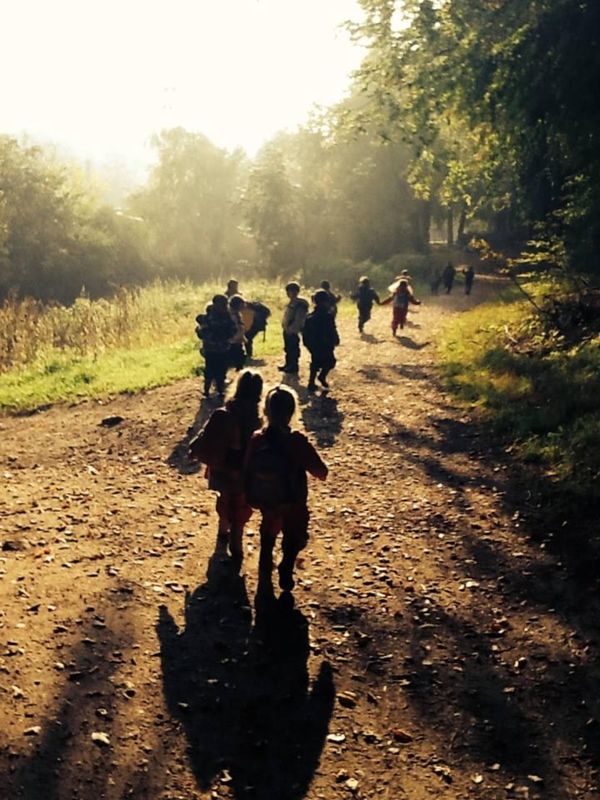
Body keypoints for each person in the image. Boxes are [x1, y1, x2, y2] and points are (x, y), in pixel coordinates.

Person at [244, 385, 328, 591]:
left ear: (266, 411)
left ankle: (265, 570)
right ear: (291, 412)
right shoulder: (296, 440)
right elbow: (321, 472)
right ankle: (286, 568)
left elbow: (246, 467)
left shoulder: (257, 439)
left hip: (267, 499)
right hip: (293, 501)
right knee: (294, 536)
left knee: (268, 534)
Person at [188, 370, 263, 566]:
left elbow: (205, 434)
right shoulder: (258, 419)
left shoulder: (225, 412)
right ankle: (236, 546)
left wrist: (195, 450)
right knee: (240, 507)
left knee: (224, 499)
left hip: (221, 470)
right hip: (244, 473)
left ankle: (222, 532)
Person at [195, 294, 237, 400]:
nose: (224, 306)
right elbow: (203, 333)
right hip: (211, 349)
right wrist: (216, 337)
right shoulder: (208, 317)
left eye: (225, 304)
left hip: (223, 348)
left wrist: (226, 336)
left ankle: (220, 390)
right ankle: (207, 390)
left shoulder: (227, 316)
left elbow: (233, 329)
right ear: (215, 304)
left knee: (222, 370)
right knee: (209, 370)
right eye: (222, 304)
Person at [302, 289, 340, 392]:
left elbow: (305, 332)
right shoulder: (328, 316)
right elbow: (332, 329)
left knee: (315, 362)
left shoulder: (310, 317)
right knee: (330, 362)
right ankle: (320, 377)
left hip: (315, 344)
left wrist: (307, 343)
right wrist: (336, 339)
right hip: (325, 343)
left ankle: (311, 382)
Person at [279, 281, 309, 374]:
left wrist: (292, 329)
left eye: (292, 291)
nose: (289, 293)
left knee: (293, 349)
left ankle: (293, 366)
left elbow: (299, 318)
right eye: (288, 291)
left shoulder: (300, 303)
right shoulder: (291, 302)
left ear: (296, 291)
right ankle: (288, 364)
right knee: (288, 348)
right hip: (287, 329)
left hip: (292, 331)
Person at [228, 294, 247, 371]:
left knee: (240, 356)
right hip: (233, 339)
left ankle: (239, 368)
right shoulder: (231, 314)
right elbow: (235, 327)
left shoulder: (236, 313)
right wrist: (236, 337)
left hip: (237, 338)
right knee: (237, 355)